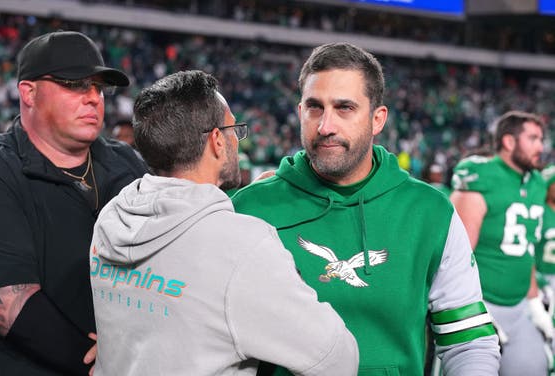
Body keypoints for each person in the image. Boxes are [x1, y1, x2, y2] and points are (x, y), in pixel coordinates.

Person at [231, 42, 500, 375]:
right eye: (315, 107)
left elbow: (468, 340)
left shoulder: (430, 213)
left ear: (377, 119)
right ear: (300, 111)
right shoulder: (249, 209)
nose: (325, 125)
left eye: (344, 108)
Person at [90, 70, 359, 375]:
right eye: (234, 129)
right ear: (217, 140)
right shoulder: (242, 246)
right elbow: (337, 358)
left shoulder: (110, 219)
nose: (236, 140)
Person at [0, 30, 149, 375]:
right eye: (75, 84)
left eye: (98, 87)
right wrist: (101, 366)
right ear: (28, 92)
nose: (93, 97)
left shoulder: (130, 166)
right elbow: (9, 304)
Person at [450, 110, 549, 375]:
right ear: (509, 142)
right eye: (533, 138)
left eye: (541, 139)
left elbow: (523, 249)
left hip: (519, 305)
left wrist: (534, 301)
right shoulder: (481, 176)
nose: (541, 146)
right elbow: (454, 256)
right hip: (481, 303)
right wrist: (470, 309)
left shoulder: (537, 182)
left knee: (535, 368)